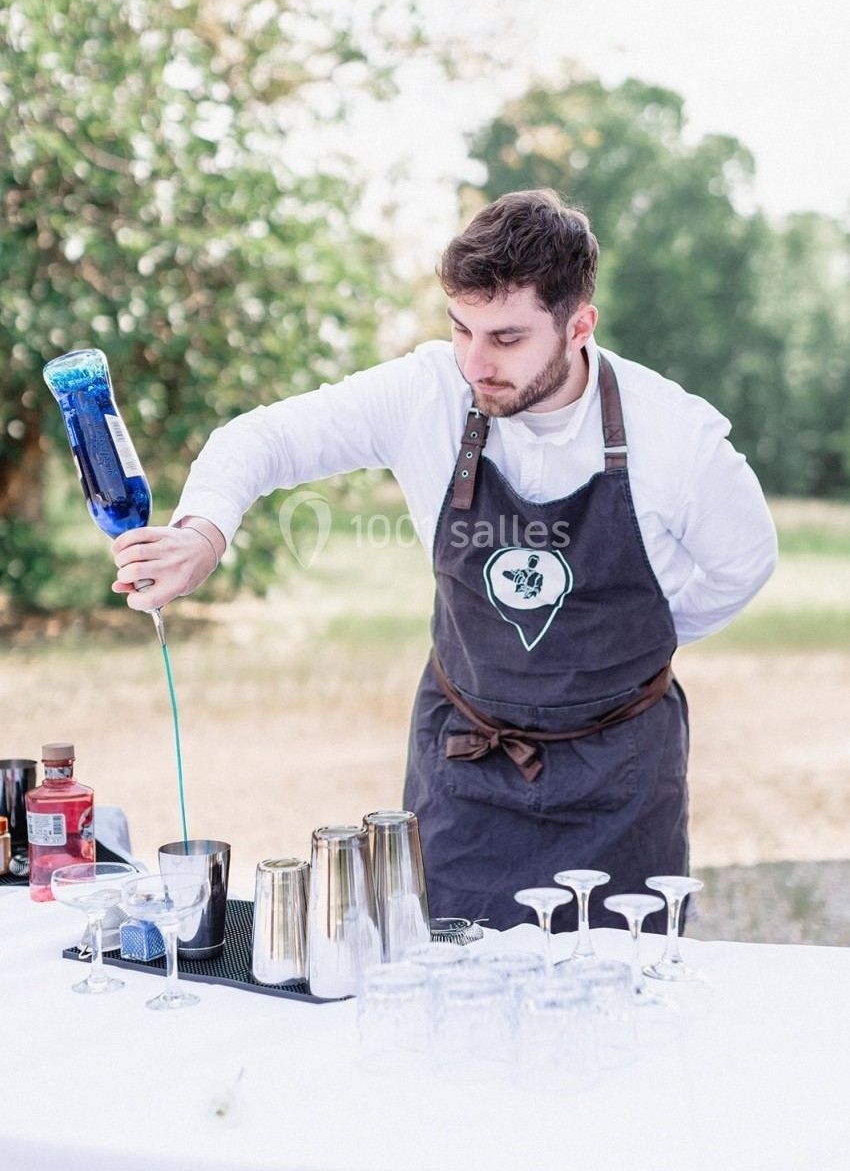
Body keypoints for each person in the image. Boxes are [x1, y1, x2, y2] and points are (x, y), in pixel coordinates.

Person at [112, 188, 777, 932]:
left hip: (619, 778)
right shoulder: (428, 392)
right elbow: (264, 439)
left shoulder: (674, 437)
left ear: (579, 325)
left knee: (620, 1001)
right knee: (446, 996)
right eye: (461, 329)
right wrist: (203, 532)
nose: (475, 361)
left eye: (507, 338)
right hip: (463, 767)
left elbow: (742, 563)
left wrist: (623, 642)